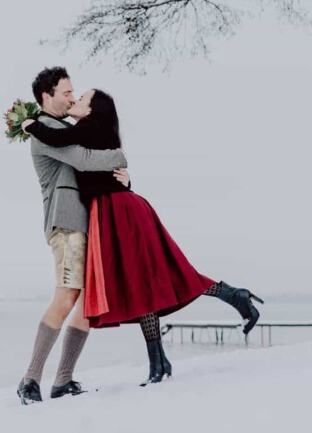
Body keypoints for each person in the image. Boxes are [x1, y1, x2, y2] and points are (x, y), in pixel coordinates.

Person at [21, 88, 264, 385]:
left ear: (92, 110)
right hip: (114, 210)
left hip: (120, 210)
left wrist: (31, 125)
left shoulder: (85, 128)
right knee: (145, 283)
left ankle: (162, 360)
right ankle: (161, 361)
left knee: (150, 280)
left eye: (81, 98)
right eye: (72, 94)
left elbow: (65, 144)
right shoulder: (92, 128)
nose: (75, 100)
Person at [17, 67, 129, 404]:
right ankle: (30, 379)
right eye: (66, 92)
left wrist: (124, 180)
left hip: (85, 222)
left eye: (73, 92)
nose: (71, 97)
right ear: (46, 97)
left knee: (85, 303)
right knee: (67, 297)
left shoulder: (66, 128)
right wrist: (121, 157)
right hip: (66, 224)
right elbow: (82, 160)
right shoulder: (46, 130)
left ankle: (62, 380)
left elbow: (96, 168)